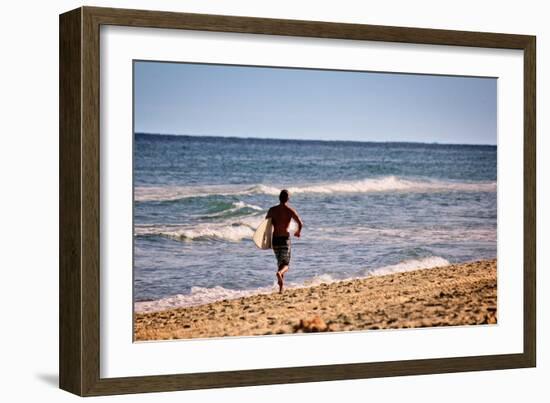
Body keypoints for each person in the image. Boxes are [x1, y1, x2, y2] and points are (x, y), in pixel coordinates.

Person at [266, 189, 304, 293]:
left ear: (279, 198)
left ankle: (281, 287)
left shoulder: (272, 210)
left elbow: (266, 226)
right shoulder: (290, 210)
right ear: (288, 199)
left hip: (275, 240)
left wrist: (266, 240)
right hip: (284, 239)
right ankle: (279, 275)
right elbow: (300, 223)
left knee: (280, 263)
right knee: (285, 264)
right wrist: (298, 232)